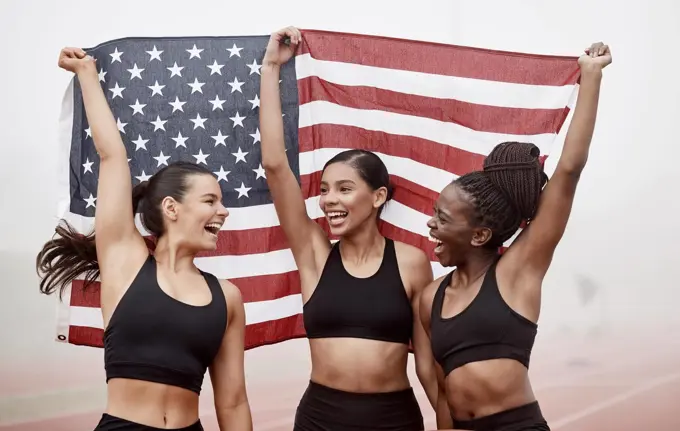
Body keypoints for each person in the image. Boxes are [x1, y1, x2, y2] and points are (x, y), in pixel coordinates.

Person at [36, 48, 252, 431]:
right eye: (210, 201)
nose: (223, 211)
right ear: (172, 208)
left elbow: (233, 402)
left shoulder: (228, 298)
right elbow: (112, 156)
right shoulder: (124, 258)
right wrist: (86, 73)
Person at [419, 42, 612, 430]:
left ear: (480, 235)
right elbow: (442, 394)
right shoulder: (430, 298)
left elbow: (568, 171)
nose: (430, 225)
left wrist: (591, 76)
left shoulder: (517, 272)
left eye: (442, 218)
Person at [259, 27, 442, 430]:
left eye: (344, 189)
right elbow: (275, 165)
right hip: (320, 418)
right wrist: (271, 66)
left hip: (394, 419)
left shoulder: (411, 262)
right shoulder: (314, 254)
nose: (329, 201)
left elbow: (428, 367)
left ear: (377, 197)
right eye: (324, 190)